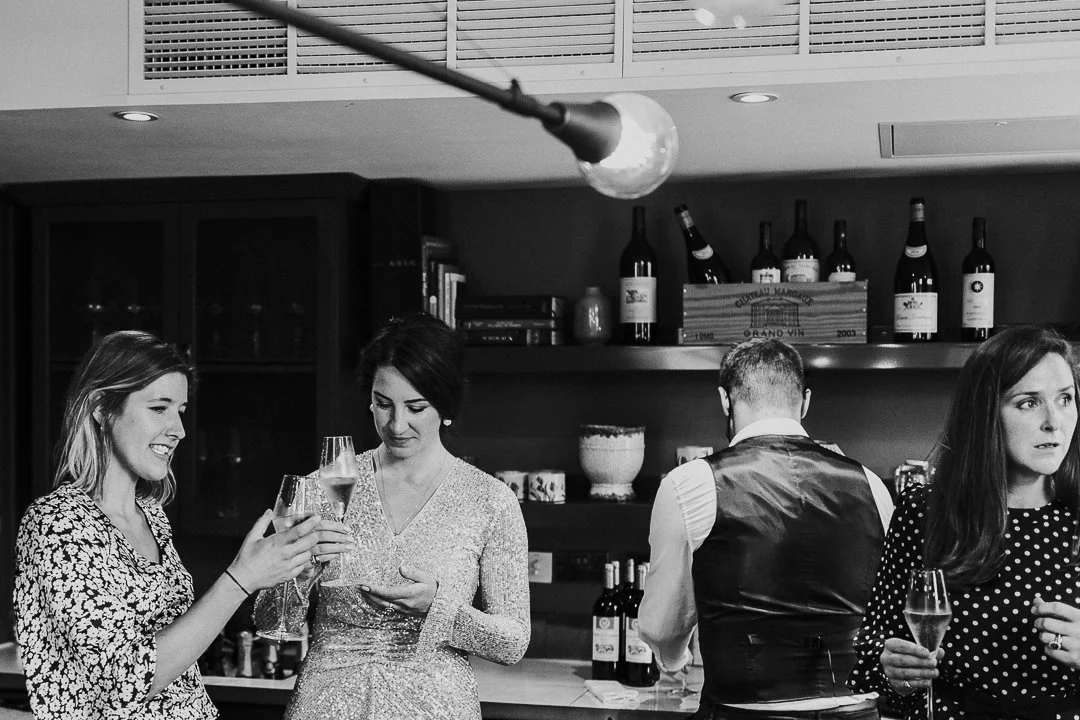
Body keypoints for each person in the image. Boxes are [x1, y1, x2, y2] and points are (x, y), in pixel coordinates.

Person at [13, 330, 350, 719]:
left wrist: (288, 572)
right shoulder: (58, 523)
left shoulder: (150, 515)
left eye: (181, 410)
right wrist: (241, 578)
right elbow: (125, 684)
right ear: (101, 407)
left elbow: (181, 658)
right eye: (159, 408)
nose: (179, 429)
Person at [255, 312, 530, 720]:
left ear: (446, 404)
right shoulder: (331, 482)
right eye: (383, 404)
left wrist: (439, 609)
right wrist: (300, 572)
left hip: (436, 708)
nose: (397, 424)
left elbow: (513, 643)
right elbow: (268, 621)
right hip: (327, 707)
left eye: (416, 407)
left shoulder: (489, 501)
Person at [639, 337, 894, 720]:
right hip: (858, 711)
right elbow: (889, 610)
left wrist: (674, 660)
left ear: (725, 399)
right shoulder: (871, 484)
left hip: (743, 711)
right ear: (805, 402)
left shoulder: (689, 483)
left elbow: (661, 624)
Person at [849, 326, 1080, 718]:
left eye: (1065, 399)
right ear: (986, 413)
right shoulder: (925, 513)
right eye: (1028, 403)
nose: (1053, 422)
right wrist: (894, 669)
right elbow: (871, 653)